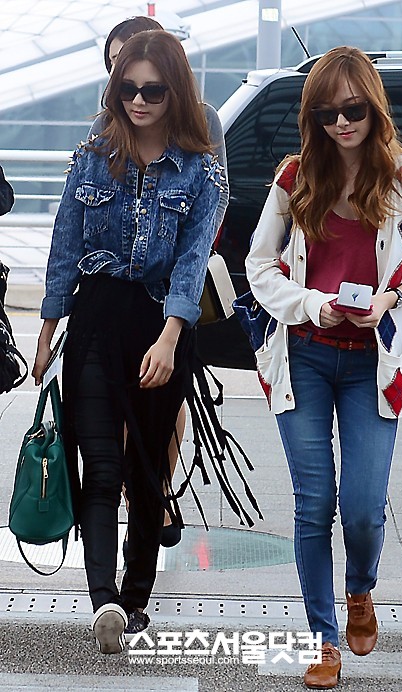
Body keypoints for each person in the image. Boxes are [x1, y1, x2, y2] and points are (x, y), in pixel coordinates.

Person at [245, 46, 402, 689]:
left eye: (353, 109)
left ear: (375, 108)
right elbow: (258, 266)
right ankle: (323, 639)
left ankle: (360, 589)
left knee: (362, 507)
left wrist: (392, 297)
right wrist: (311, 304)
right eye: (327, 113)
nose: (341, 123)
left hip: (373, 361)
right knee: (313, 505)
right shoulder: (295, 177)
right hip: (304, 353)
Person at [32, 29, 222, 654]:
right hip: (95, 319)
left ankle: (135, 596)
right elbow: (64, 247)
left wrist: (170, 337)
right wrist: (46, 332)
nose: (138, 100)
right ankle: (103, 599)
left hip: (160, 324)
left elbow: (192, 263)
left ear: (176, 92)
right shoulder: (91, 155)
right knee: (100, 465)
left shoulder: (201, 171)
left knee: (146, 469)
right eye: (128, 89)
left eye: (153, 91)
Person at [92, 16, 229, 550]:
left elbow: (213, 198)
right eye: (117, 69)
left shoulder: (203, 119)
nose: (134, 90)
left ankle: (154, 489)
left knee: (167, 399)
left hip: (174, 288)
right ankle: (137, 494)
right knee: (118, 398)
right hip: (118, 291)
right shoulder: (105, 124)